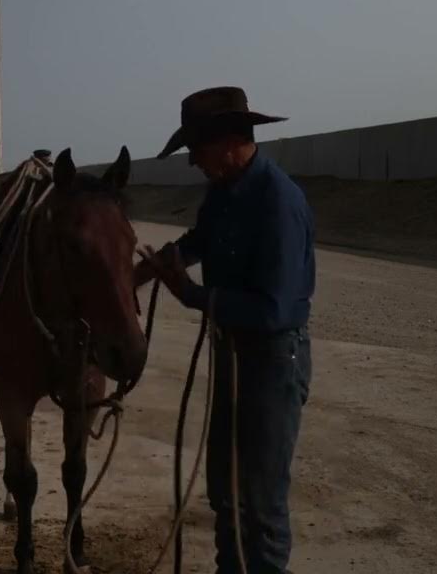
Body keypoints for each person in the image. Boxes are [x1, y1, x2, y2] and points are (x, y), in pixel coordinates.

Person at [136, 86, 314, 574]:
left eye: (196, 149)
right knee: (226, 492)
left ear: (230, 141)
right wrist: (142, 273)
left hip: (271, 360)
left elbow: (273, 309)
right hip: (233, 355)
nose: (193, 161)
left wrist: (192, 295)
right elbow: (199, 241)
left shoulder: (278, 202)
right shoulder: (224, 193)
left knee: (260, 502)